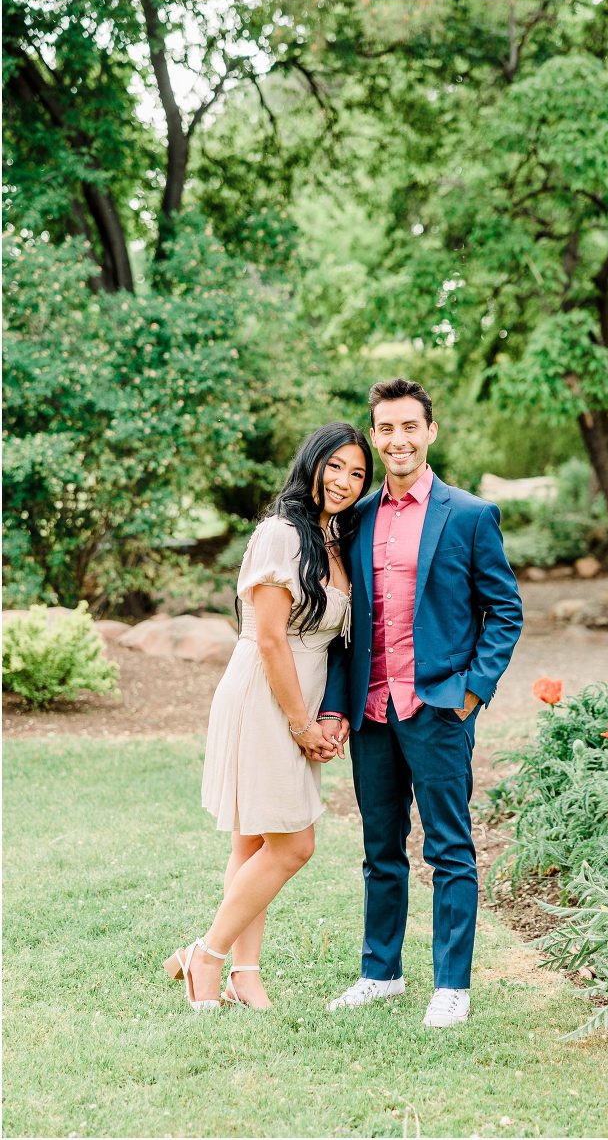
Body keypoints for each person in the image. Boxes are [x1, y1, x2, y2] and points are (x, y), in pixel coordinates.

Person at [320, 379, 522, 1028]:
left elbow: (504, 611)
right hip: (372, 712)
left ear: (430, 431)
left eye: (409, 426)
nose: (397, 439)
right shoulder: (358, 517)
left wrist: (470, 690)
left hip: (438, 709)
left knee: (449, 849)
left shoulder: (468, 515)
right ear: (375, 436)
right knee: (381, 849)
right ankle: (380, 972)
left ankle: (452, 984)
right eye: (385, 428)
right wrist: (335, 704)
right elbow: (345, 626)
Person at [164, 422, 373, 1011]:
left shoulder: (333, 538)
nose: (344, 481)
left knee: (254, 839)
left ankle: (244, 973)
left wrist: (329, 714)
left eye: (357, 473)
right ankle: (206, 957)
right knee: (293, 845)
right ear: (312, 463)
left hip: (300, 698)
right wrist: (301, 723)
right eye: (335, 466)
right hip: (265, 696)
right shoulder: (282, 534)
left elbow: (332, 643)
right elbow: (272, 640)